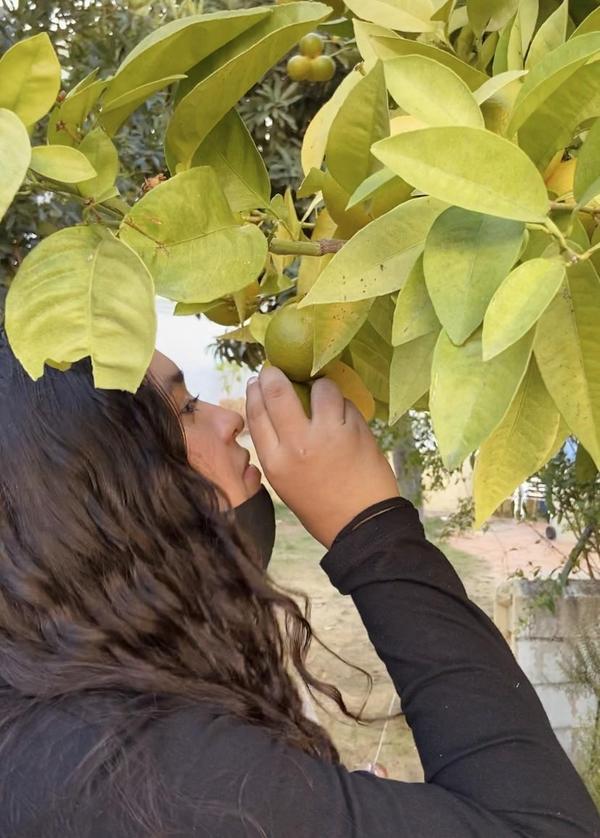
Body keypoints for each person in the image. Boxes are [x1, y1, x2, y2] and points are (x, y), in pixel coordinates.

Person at [0, 335, 598, 838]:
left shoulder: (63, 733)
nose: (230, 419)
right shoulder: (164, 781)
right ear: (98, 490)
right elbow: (544, 825)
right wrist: (372, 527)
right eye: (185, 409)